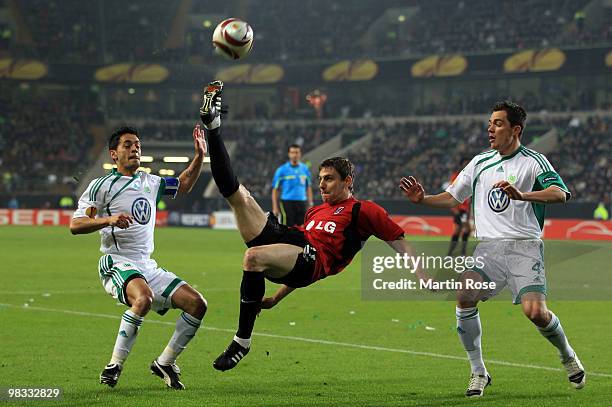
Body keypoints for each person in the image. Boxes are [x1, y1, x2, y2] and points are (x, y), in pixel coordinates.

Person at [199, 80, 410, 371]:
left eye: (329, 179)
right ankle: (213, 126)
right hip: (296, 242)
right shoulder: (315, 212)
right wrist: (274, 299)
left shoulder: (363, 210)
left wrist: (423, 274)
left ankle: (242, 341)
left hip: (315, 261)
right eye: (321, 178)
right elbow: (293, 257)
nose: (321, 184)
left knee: (253, 257)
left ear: (347, 181)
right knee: (237, 195)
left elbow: (397, 239)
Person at [400, 101, 585, 397]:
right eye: (490, 123)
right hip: (489, 250)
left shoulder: (534, 161)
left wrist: (522, 195)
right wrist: (422, 200)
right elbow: (451, 198)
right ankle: (478, 372)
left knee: (535, 312)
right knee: (464, 295)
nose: (490, 128)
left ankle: (567, 355)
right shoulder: (479, 162)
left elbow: (559, 193)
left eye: (498, 123)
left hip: (525, 248)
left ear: (516, 130)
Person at [70, 125, 208, 390]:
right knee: (142, 298)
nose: (135, 149)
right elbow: (76, 225)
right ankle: (114, 365)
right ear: (113, 154)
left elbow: (184, 185)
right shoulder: (101, 186)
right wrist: (108, 219)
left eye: (138, 145)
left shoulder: (151, 182)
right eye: (128, 145)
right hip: (116, 260)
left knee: (197, 304)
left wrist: (200, 155)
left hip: (147, 265)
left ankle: (165, 362)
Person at [271, 144, 313, 226]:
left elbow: (308, 187)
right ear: (289, 154)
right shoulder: (281, 170)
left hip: (302, 202)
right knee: (287, 228)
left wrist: (310, 203)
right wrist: (275, 207)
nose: (295, 155)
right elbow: (275, 189)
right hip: (287, 202)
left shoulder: (305, 169)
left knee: (302, 229)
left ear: (300, 154)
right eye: (292, 152)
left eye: (297, 152)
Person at [447, 158, 471, 256]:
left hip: (465, 208)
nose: (467, 166)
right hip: (459, 208)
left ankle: (452, 253)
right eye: (465, 164)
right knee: (463, 229)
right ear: (461, 165)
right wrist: (454, 208)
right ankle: (459, 253)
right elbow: (451, 192)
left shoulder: (470, 177)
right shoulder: (456, 176)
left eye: (468, 164)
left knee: (462, 229)